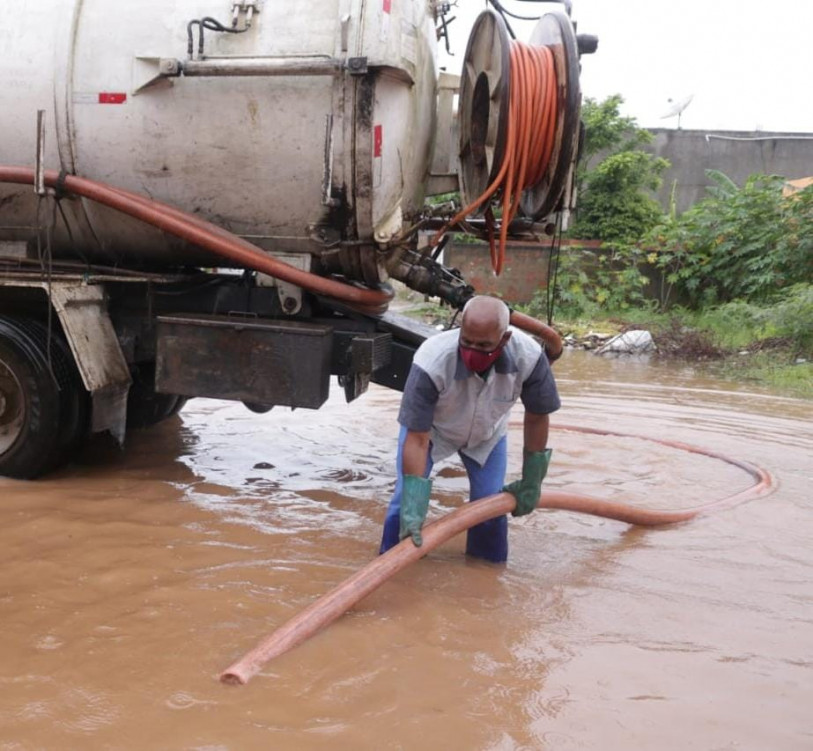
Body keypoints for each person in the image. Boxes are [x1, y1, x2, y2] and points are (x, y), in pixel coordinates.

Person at [379, 295, 560, 563]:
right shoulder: (432, 360)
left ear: (505, 339)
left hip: (487, 435)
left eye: (484, 345)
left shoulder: (529, 358)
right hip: (432, 433)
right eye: (467, 342)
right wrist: (413, 506)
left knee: (489, 507)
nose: (473, 350)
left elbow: (536, 417)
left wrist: (533, 478)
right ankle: (391, 565)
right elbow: (416, 438)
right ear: (460, 331)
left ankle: (486, 571)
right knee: (403, 504)